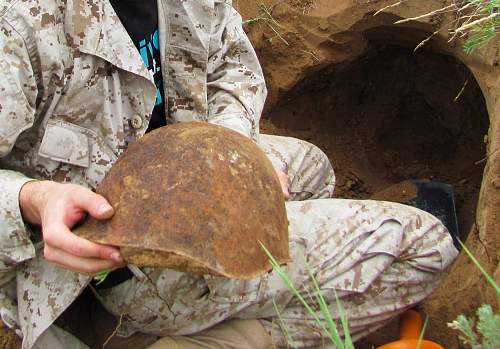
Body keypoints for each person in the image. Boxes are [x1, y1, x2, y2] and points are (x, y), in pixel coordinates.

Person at [0, 0, 458, 348]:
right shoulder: (18, 22)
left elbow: (232, 67)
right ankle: (184, 336)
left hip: (182, 175)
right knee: (426, 246)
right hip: (95, 262)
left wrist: (234, 156)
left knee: (312, 168)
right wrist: (31, 200)